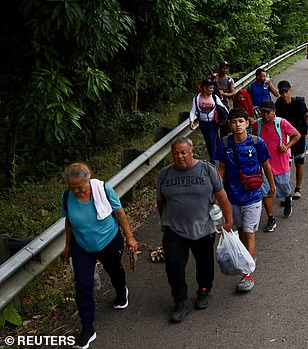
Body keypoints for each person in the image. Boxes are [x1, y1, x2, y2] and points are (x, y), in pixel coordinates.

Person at [156, 137, 233, 323]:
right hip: (174, 230)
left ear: (191, 152)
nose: (180, 156)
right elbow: (160, 202)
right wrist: (166, 221)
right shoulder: (164, 174)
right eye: (176, 153)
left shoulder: (207, 170)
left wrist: (229, 221)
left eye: (183, 152)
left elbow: (221, 195)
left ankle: (204, 291)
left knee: (205, 262)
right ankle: (180, 301)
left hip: (203, 228)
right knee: (174, 266)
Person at [62, 162, 138, 349]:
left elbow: (119, 213)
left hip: (108, 241)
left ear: (89, 180)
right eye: (73, 188)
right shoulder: (66, 196)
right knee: (82, 284)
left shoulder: (104, 189)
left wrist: (130, 237)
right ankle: (88, 328)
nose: (77, 191)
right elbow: (69, 222)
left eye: (80, 187)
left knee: (114, 270)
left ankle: (121, 292)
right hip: (81, 245)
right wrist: (68, 246)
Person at [214, 108, 275, 292]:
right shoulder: (224, 143)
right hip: (232, 196)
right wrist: (217, 195)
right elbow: (222, 169)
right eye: (234, 122)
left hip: (253, 196)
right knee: (240, 232)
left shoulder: (257, 142)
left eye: (241, 121)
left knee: (249, 233)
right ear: (229, 125)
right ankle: (249, 256)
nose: (238, 125)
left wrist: (272, 186)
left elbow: (266, 165)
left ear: (248, 123)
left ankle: (247, 274)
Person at [253, 100, 300, 231]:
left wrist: (287, 146)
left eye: (268, 112)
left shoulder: (282, 123)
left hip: (281, 163)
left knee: (284, 187)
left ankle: (288, 200)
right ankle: (271, 218)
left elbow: (297, 135)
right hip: (264, 165)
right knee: (266, 192)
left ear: (274, 112)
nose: (265, 115)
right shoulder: (257, 125)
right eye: (263, 112)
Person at [274, 80, 308, 199]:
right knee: (286, 166)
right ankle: (287, 192)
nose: (284, 95)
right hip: (285, 139)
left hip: (298, 137)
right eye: (282, 92)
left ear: (290, 91)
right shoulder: (278, 104)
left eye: (286, 92)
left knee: (299, 163)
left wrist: (306, 131)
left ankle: (298, 188)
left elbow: (307, 115)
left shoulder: (299, 103)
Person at [189, 78, 228, 164]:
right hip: (202, 123)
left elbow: (222, 107)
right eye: (210, 88)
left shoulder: (214, 97)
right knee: (208, 140)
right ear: (204, 88)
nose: (212, 90)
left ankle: (212, 161)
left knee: (212, 138)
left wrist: (228, 116)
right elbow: (192, 111)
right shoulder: (196, 98)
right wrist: (191, 121)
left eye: (213, 88)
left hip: (213, 122)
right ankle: (217, 154)